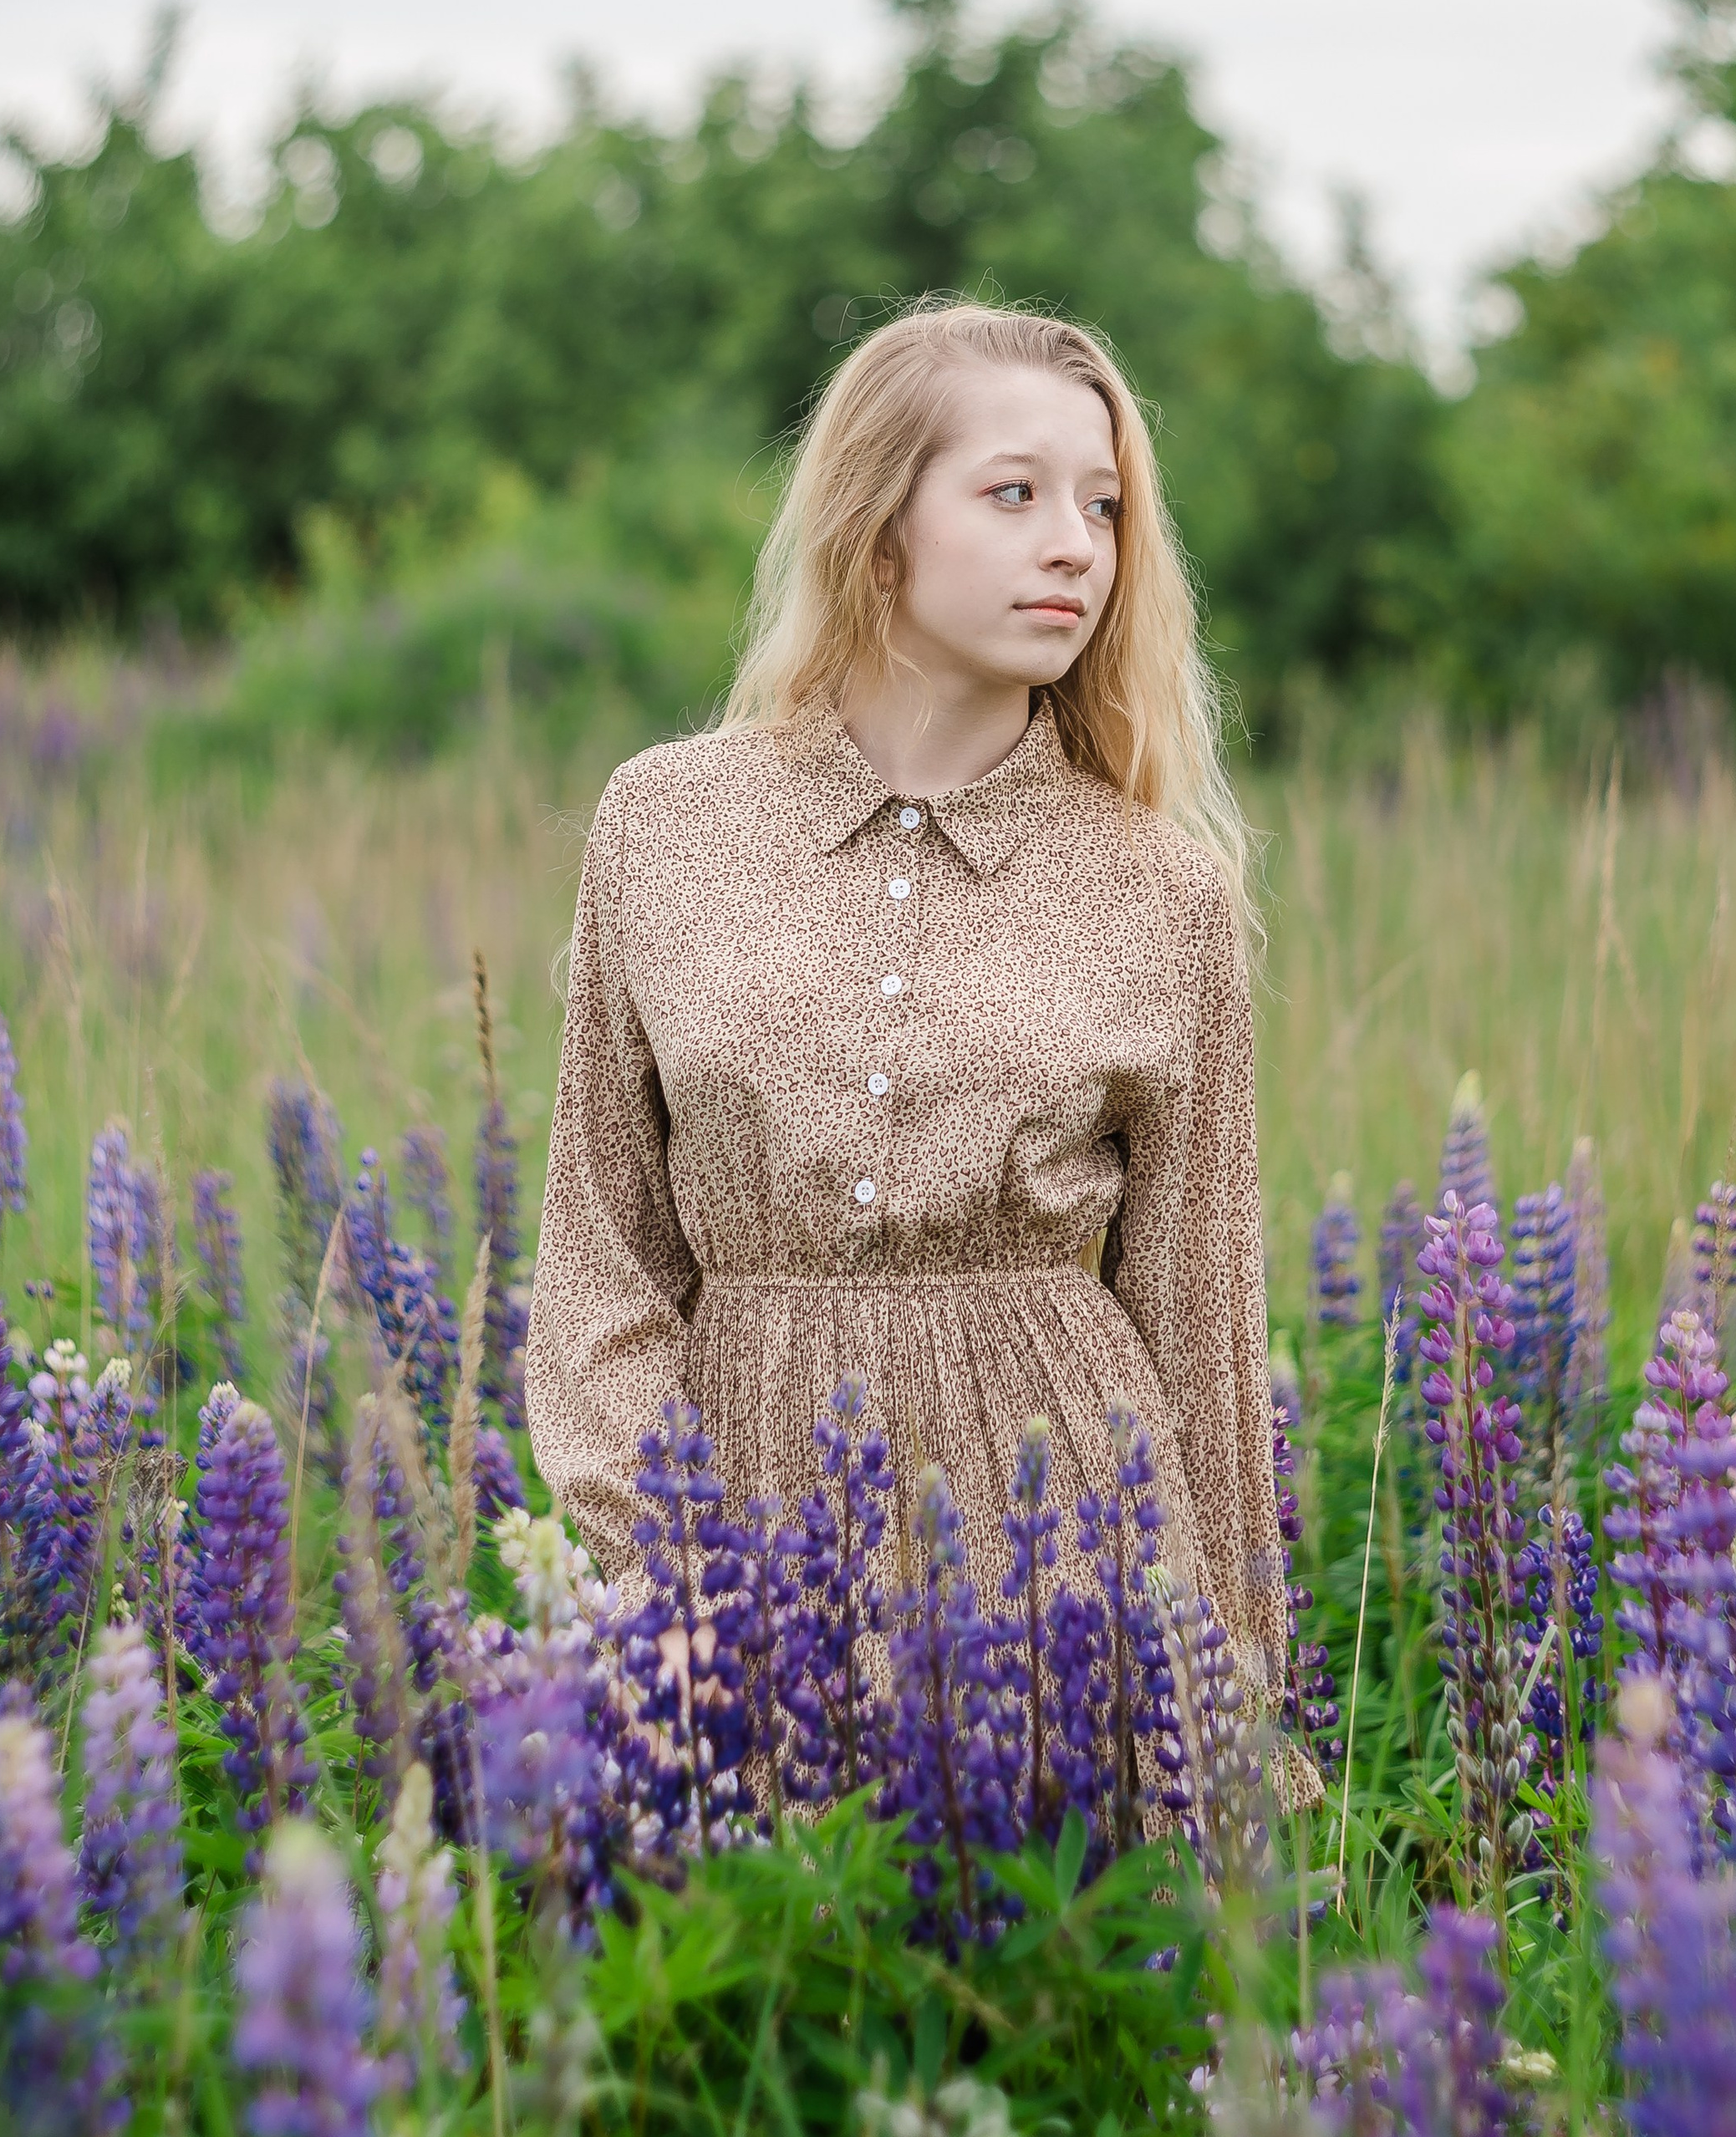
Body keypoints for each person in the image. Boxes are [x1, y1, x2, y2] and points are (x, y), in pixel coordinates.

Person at [526, 296, 1295, 1743]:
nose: (1076, 545)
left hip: (1066, 1565)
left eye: (1103, 505)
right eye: (1014, 494)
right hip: (736, 1551)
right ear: (879, 530)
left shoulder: (1160, 887)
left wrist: (1233, 1712)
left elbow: (1201, 1320)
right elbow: (600, 1264)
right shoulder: (665, 824)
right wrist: (664, 1580)